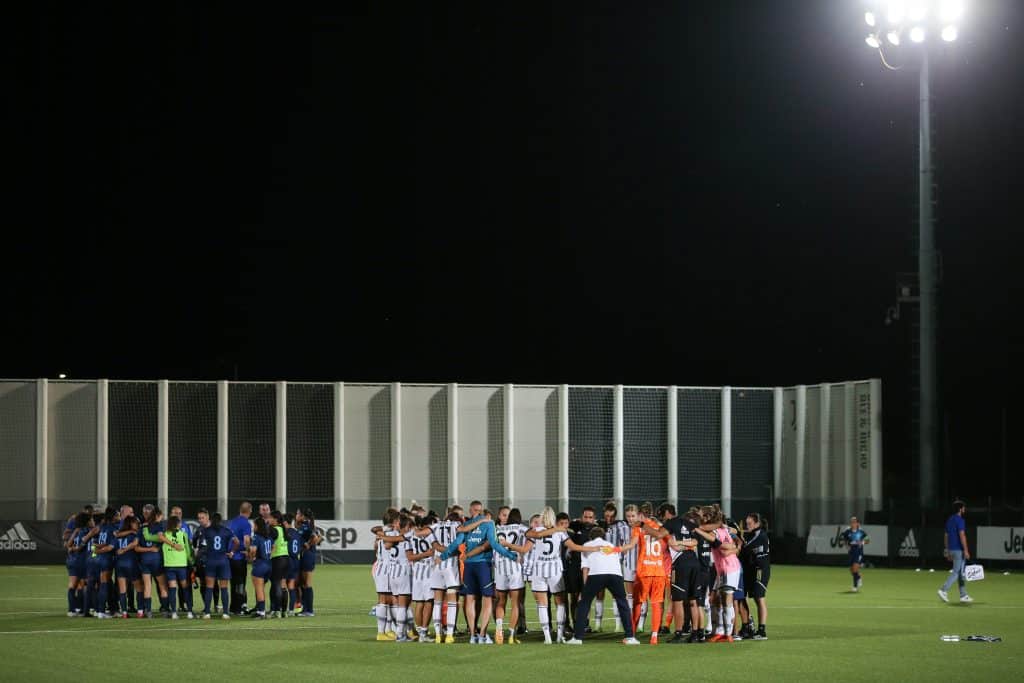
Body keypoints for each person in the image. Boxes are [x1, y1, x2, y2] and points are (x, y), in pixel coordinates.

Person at [437, 505, 517, 644]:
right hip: (483, 565)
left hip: (469, 566)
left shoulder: (466, 525)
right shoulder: (489, 523)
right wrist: (511, 555)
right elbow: (494, 543)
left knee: (470, 599)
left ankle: (473, 635)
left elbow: (456, 543)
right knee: (487, 600)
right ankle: (482, 635)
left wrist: (443, 556)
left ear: (470, 510)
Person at [564, 526, 638, 646]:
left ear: (590, 537)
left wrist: (585, 589)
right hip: (615, 575)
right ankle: (630, 637)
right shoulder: (611, 545)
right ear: (603, 536)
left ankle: (578, 638)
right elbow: (616, 561)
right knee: (622, 603)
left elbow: (585, 568)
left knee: (584, 603)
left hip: (596, 574)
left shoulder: (587, 545)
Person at [617, 502, 668, 644]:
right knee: (657, 604)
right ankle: (654, 636)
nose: (631, 520)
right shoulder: (660, 527)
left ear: (640, 514)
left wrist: (616, 550)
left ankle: (631, 634)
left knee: (638, 603)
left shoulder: (638, 528)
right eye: (629, 517)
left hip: (644, 571)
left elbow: (631, 545)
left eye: (633, 516)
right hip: (659, 571)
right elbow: (671, 544)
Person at [494, 507, 528, 644]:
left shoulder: (497, 529)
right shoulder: (520, 528)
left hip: (500, 569)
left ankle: (498, 631)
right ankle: (511, 636)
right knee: (515, 603)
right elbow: (534, 534)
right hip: (514, 568)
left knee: (501, 602)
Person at [199, 512, 238, 619]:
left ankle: (207, 613)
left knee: (209, 588)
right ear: (221, 520)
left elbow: (202, 546)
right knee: (224, 588)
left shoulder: (206, 531)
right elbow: (237, 542)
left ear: (210, 520)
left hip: (211, 561)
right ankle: (225, 613)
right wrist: (232, 552)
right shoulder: (226, 530)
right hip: (223, 561)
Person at [565, 507, 597, 633]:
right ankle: (574, 622)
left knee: (586, 596)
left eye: (590, 517)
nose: (588, 519)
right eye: (586, 517)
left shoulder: (596, 531)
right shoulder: (575, 527)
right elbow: (565, 524)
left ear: (594, 518)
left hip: (589, 568)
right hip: (574, 567)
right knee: (574, 596)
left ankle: (585, 623)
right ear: (581, 517)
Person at [740, 513, 770, 640]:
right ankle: (749, 624)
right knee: (744, 596)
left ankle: (762, 630)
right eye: (747, 524)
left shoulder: (761, 535)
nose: (747, 526)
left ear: (757, 523)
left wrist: (738, 536)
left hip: (761, 570)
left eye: (749, 524)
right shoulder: (752, 534)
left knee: (759, 598)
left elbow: (746, 548)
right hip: (752, 570)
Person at [938, 500, 973, 604]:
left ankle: (963, 595)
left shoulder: (949, 519)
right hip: (959, 550)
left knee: (961, 573)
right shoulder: (960, 520)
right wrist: (966, 550)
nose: (964, 509)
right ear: (961, 509)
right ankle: (943, 590)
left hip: (952, 549)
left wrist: (947, 550)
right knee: (956, 572)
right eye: (964, 508)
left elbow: (946, 536)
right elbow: (962, 535)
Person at [161, 516, 195, 619]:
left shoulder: (165, 535)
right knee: (185, 588)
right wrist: (191, 561)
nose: (181, 524)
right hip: (181, 565)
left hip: (169, 565)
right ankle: (189, 612)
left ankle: (174, 613)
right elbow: (188, 550)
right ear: (176, 524)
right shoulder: (183, 534)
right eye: (180, 523)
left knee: (172, 588)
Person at [113, 515, 141, 618]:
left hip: (119, 564)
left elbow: (114, 544)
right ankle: (141, 612)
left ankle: (124, 613)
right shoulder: (134, 535)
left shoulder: (119, 536)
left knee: (122, 589)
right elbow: (135, 544)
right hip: (131, 563)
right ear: (130, 523)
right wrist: (125, 549)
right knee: (139, 587)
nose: (138, 524)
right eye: (135, 523)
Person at [228, 502, 254, 615]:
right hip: (239, 558)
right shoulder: (246, 523)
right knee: (240, 583)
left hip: (231, 557)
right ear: (249, 511)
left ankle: (233, 607)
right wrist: (248, 551)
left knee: (233, 583)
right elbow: (247, 539)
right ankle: (240, 607)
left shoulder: (232, 522)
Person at [295, 508, 321, 617]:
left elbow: (316, 538)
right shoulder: (305, 526)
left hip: (307, 556)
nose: (296, 515)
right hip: (304, 556)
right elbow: (319, 536)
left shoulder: (306, 526)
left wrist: (308, 545)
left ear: (302, 516)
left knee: (307, 583)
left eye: (297, 514)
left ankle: (309, 610)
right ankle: (305, 608)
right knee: (302, 583)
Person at [249, 517, 273, 618]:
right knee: (262, 588)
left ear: (257, 526)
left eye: (254, 525)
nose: (253, 527)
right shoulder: (268, 536)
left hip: (260, 565)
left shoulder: (256, 537)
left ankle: (261, 611)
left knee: (259, 589)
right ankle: (260, 610)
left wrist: (251, 558)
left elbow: (253, 550)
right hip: (268, 565)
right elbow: (273, 547)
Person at [839, 516, 869, 592]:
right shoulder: (847, 531)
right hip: (851, 552)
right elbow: (842, 540)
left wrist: (862, 542)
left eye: (854, 522)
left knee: (855, 568)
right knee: (851, 570)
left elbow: (868, 540)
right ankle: (858, 577)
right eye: (851, 522)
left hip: (859, 552)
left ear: (857, 523)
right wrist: (846, 545)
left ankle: (855, 587)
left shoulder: (861, 531)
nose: (853, 523)